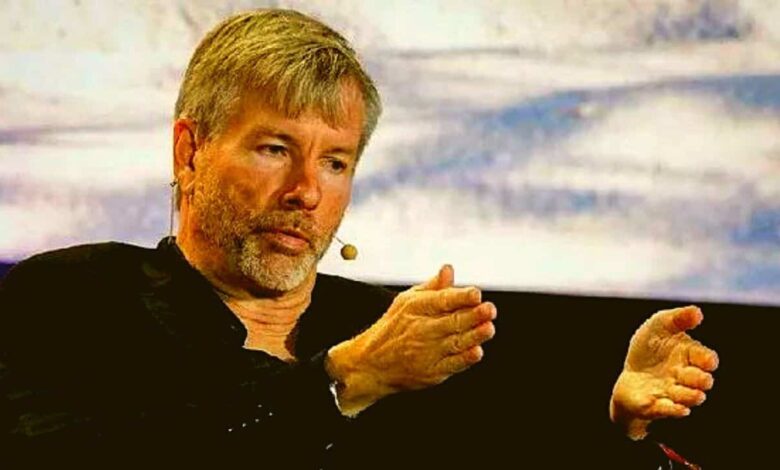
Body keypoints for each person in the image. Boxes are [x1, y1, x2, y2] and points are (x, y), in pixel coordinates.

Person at [0, 8, 718, 468]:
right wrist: (344, 381)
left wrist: (620, 427)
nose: (306, 191)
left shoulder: (383, 330)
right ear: (190, 150)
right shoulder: (75, 296)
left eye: (335, 162)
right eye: (275, 149)